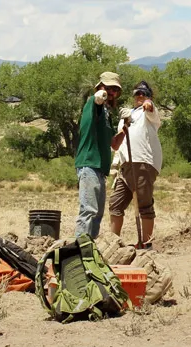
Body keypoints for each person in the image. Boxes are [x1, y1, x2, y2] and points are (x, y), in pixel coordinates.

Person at [109, 81, 162, 249]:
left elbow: (149, 106)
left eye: (143, 93)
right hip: (125, 165)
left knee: (144, 204)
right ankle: (113, 243)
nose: (140, 96)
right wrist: (125, 123)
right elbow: (118, 142)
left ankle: (146, 244)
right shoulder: (128, 114)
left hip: (143, 161)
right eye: (137, 93)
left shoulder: (150, 114)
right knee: (115, 204)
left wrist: (148, 104)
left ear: (149, 96)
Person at [74, 71, 121, 238]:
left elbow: (114, 144)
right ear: (100, 87)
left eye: (115, 89)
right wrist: (98, 97)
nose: (111, 92)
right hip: (89, 164)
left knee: (97, 214)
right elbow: (96, 100)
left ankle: (90, 251)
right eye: (108, 88)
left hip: (100, 168)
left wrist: (125, 128)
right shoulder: (94, 104)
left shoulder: (107, 115)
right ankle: (79, 252)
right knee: (88, 210)